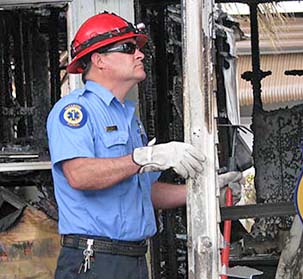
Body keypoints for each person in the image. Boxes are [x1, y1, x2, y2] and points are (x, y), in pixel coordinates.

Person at [46, 11, 241, 279]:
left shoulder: (129, 118)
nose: (139, 54)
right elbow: (79, 175)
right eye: (128, 48)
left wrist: (202, 191)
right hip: (95, 261)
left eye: (138, 48)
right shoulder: (75, 111)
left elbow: (146, 193)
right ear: (99, 60)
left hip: (133, 259)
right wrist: (141, 158)